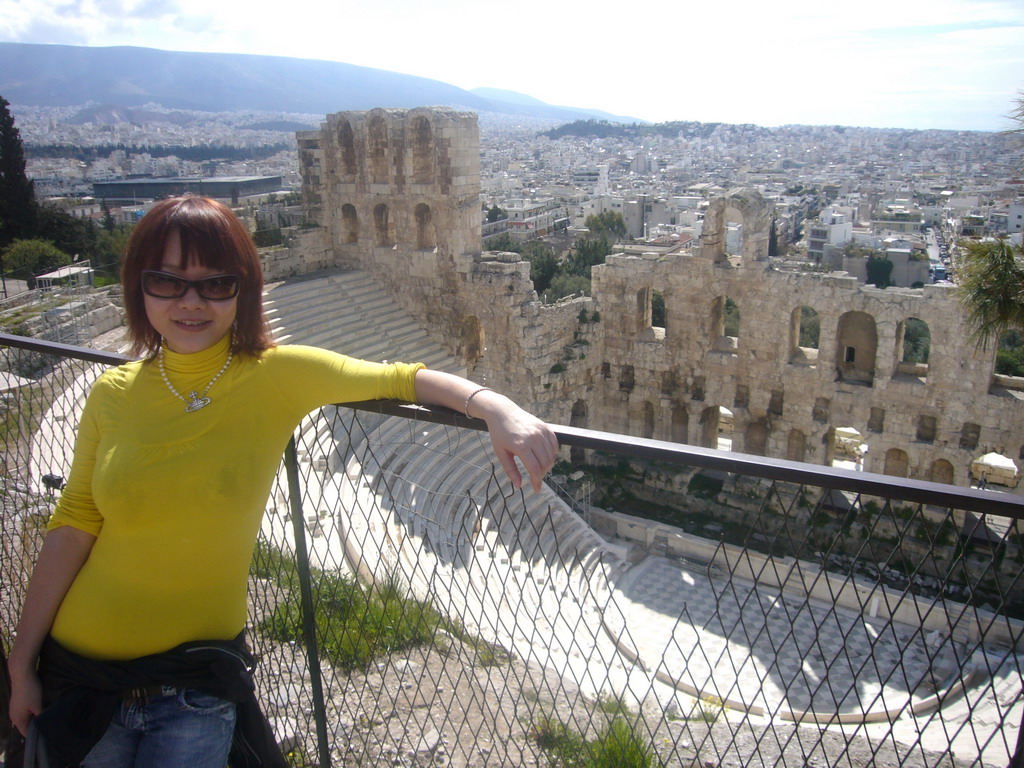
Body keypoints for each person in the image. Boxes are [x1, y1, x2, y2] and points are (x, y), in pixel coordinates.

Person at [5, 196, 558, 767]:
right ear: (137, 288)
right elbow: (74, 523)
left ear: (242, 291)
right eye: (166, 282)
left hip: (196, 683)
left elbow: (401, 378)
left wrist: (494, 407)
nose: (191, 301)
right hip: (79, 675)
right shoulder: (111, 393)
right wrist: (22, 664)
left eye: (216, 284)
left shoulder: (277, 376)